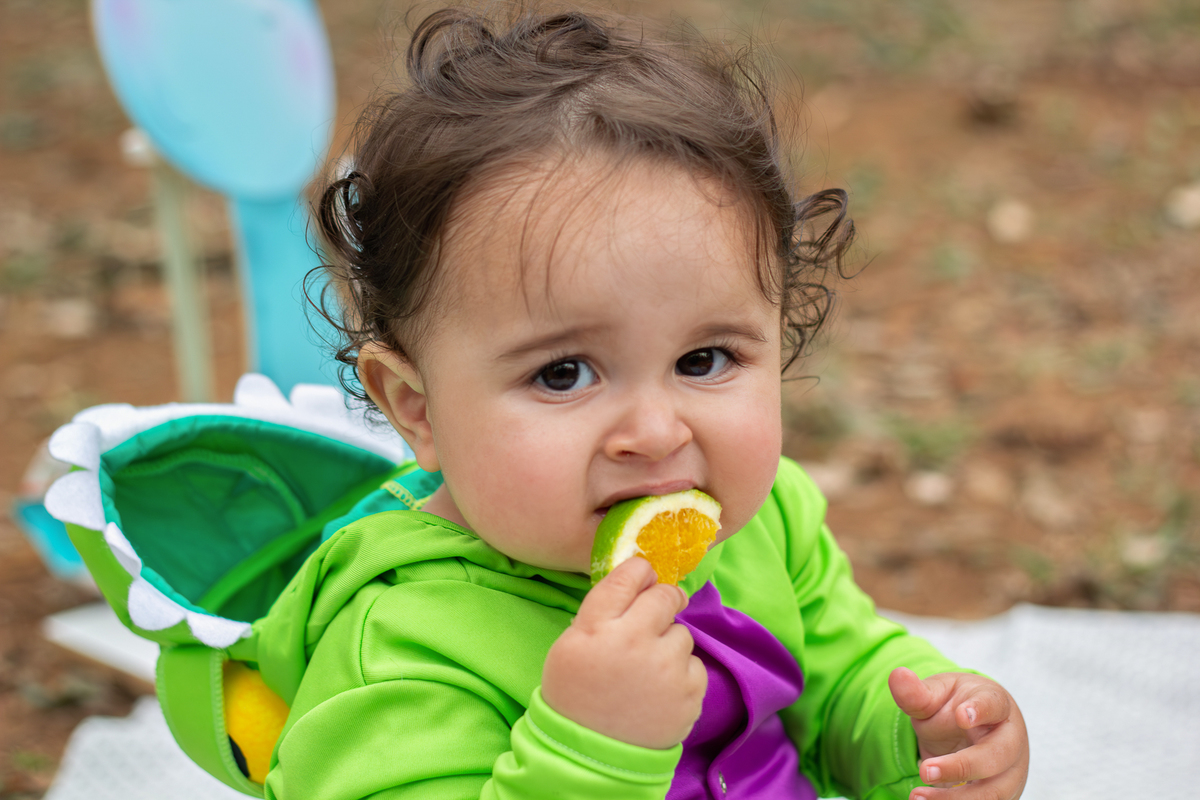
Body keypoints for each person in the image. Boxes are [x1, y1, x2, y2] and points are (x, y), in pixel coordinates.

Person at [258, 7, 1029, 799]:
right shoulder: (398, 644)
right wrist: (589, 749)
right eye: (563, 374)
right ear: (416, 408)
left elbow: (839, 678)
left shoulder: (765, 523)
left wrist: (923, 733)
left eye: (703, 359)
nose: (656, 433)